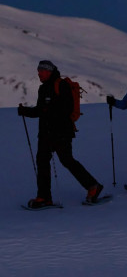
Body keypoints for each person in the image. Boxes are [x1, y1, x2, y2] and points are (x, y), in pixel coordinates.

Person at [18, 60, 103, 208]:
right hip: (45, 133)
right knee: (43, 162)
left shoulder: (61, 85)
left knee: (67, 160)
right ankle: (44, 197)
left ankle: (93, 186)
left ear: (49, 71)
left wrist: (48, 111)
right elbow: (40, 110)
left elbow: (66, 109)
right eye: (38, 71)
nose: (39, 73)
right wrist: (25, 111)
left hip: (61, 132)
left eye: (41, 71)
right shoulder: (43, 88)